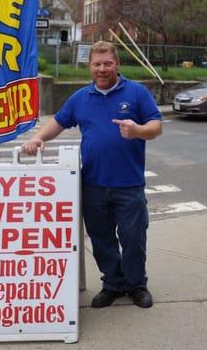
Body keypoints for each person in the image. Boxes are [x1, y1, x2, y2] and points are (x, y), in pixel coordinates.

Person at [22, 41, 162, 308]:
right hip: (93, 184)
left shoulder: (137, 93)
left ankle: (136, 285)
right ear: (90, 66)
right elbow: (59, 122)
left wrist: (138, 130)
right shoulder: (81, 98)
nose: (102, 69)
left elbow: (156, 126)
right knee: (101, 239)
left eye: (107, 63)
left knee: (134, 239)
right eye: (97, 64)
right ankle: (112, 284)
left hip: (129, 184)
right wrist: (39, 137)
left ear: (117, 64)